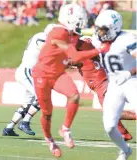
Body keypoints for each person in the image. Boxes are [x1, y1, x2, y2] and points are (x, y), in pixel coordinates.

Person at [31, 4, 109, 157]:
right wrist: (99, 50)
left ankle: (65, 128)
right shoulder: (58, 32)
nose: (82, 25)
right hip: (42, 75)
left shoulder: (71, 34)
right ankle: (49, 139)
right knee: (47, 113)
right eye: (79, 21)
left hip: (58, 73)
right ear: (70, 19)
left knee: (74, 96)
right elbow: (74, 56)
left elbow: (74, 56)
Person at [90, 10, 137, 160]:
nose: (100, 32)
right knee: (109, 126)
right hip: (114, 85)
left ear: (114, 28)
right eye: (99, 28)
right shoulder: (96, 40)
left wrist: (129, 73)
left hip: (132, 81)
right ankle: (125, 150)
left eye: (103, 29)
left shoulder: (126, 39)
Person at [2, 24, 55, 137]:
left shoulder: (41, 37)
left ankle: (9, 128)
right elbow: (50, 52)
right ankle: (25, 122)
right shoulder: (42, 37)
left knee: (28, 104)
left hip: (29, 73)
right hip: (27, 72)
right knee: (42, 97)